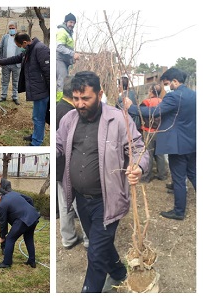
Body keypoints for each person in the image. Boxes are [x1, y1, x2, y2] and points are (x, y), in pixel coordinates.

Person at [56, 71, 149, 293]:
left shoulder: (118, 119)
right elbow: (58, 143)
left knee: (95, 253)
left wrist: (139, 166)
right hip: (80, 199)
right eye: (76, 99)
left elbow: (137, 147)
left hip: (107, 200)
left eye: (86, 98)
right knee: (101, 245)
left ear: (100, 94)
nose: (80, 104)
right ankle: (119, 273)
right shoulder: (69, 119)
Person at [124, 67, 196, 220]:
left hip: (178, 145)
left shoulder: (174, 97)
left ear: (175, 81)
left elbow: (154, 112)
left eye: (168, 83)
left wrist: (130, 107)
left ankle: (178, 211)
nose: (168, 87)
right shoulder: (194, 95)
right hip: (192, 142)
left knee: (178, 178)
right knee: (193, 173)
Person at [0, 33, 50, 146]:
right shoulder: (30, 49)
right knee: (36, 116)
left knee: (39, 117)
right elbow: (18, 58)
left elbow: (48, 71)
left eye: (20, 45)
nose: (20, 48)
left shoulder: (40, 49)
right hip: (37, 89)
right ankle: (35, 136)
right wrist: (0, 62)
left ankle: (36, 142)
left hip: (42, 91)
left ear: (24, 42)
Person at [56, 75, 88, 249]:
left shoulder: (56, 107)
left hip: (59, 167)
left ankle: (68, 238)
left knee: (64, 204)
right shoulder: (72, 114)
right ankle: (89, 239)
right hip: (71, 168)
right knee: (80, 204)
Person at [0, 191, 40, 268]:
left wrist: (2, 237)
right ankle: (32, 261)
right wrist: (30, 211)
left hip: (23, 220)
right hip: (33, 217)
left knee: (10, 239)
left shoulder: (2, 205)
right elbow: (30, 199)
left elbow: (3, 222)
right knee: (29, 238)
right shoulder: (13, 193)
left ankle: (7, 263)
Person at [139, 83, 167, 182]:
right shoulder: (163, 102)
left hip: (148, 131)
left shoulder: (146, 102)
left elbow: (140, 114)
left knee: (148, 154)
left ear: (151, 92)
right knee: (160, 154)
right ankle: (162, 174)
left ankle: (147, 176)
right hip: (160, 131)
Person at [56, 13, 80, 102]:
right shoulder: (62, 32)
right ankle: (59, 102)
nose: (72, 25)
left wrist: (71, 59)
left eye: (74, 23)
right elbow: (59, 47)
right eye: (70, 22)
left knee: (61, 81)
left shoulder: (68, 33)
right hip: (59, 60)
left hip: (64, 61)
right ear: (66, 22)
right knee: (62, 82)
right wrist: (72, 54)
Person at [0, 21, 22, 105]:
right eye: (10, 28)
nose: (11, 30)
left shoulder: (20, 37)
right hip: (6, 63)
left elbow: (23, 50)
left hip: (17, 64)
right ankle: (3, 96)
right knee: (4, 81)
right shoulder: (5, 37)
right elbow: (1, 49)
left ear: (16, 28)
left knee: (15, 81)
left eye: (13, 28)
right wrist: (1, 60)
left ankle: (15, 97)